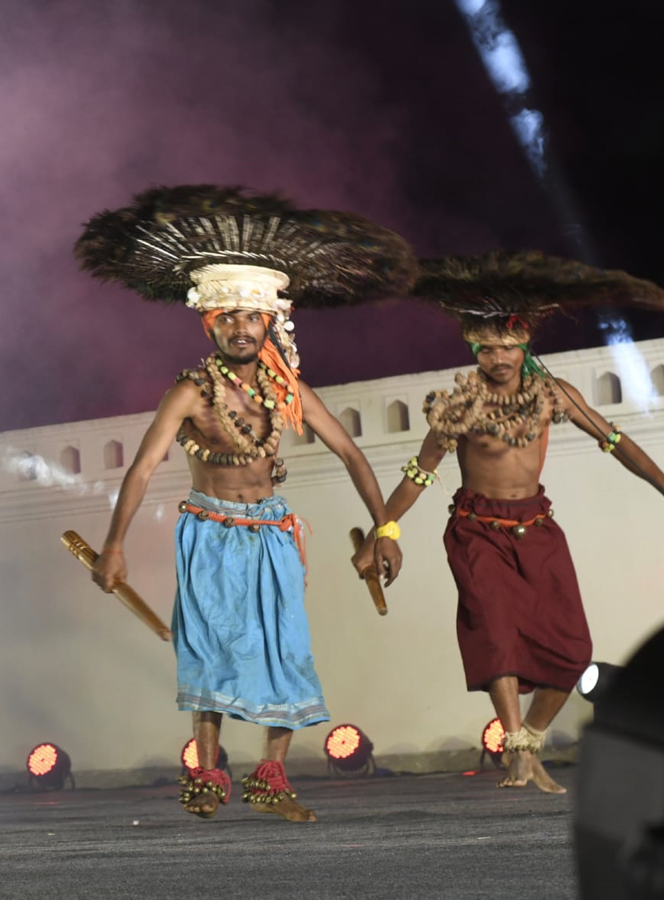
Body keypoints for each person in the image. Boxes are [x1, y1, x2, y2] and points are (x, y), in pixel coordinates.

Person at [74, 186, 416, 822]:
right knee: (213, 648)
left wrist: (385, 529)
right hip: (209, 532)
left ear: (270, 322)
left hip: (273, 533)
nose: (240, 327)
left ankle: (271, 778)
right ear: (210, 322)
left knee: (284, 649)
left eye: (250, 317)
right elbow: (144, 468)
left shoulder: (289, 390)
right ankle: (206, 774)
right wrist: (115, 546)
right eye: (227, 316)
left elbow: (351, 455)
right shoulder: (192, 391)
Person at [359, 251, 664, 793]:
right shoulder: (460, 405)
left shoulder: (553, 396)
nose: (498, 357)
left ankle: (531, 741)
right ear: (474, 349)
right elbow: (419, 474)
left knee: (571, 652)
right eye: (487, 348)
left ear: (524, 345)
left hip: (536, 527)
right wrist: (386, 529)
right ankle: (515, 750)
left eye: (508, 346)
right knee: (496, 633)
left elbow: (616, 442)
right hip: (475, 530)